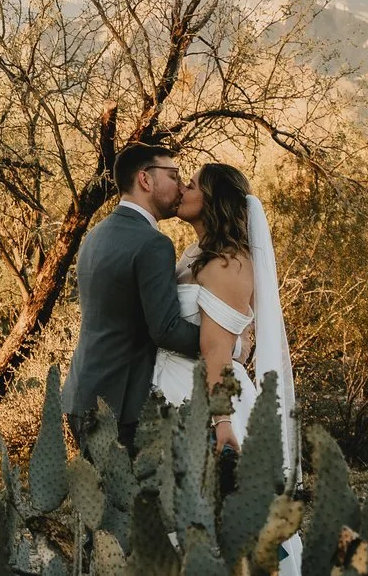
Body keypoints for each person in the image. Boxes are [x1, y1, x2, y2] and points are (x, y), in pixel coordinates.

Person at [154, 161, 301, 573]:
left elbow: (217, 352)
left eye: (194, 184)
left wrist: (221, 424)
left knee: (214, 517)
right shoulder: (199, 254)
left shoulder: (228, 265)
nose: (183, 188)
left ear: (214, 201)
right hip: (175, 385)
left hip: (209, 397)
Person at [65, 141, 202, 448]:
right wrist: (224, 344)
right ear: (145, 179)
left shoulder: (95, 235)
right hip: (120, 403)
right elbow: (166, 330)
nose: (180, 187)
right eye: (174, 176)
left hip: (80, 392)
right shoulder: (153, 243)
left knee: (100, 495)